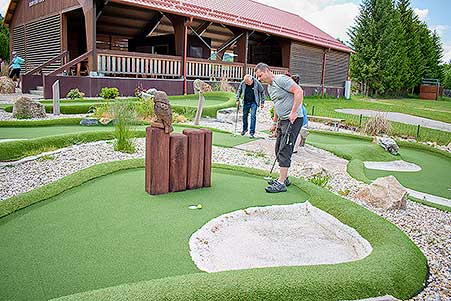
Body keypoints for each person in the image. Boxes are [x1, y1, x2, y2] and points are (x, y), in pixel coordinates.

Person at [255, 63, 304, 193]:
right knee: (278, 149)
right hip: (283, 121)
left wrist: (293, 112)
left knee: (285, 149)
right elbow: (277, 105)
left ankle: (281, 183)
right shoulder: (270, 88)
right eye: (258, 77)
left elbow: (299, 91)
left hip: (293, 119)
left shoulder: (281, 80)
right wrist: (275, 122)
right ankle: (284, 177)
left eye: (260, 75)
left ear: (267, 71)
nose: (259, 79)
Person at [235, 74, 266, 138]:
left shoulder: (257, 83)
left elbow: (262, 91)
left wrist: (262, 102)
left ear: (251, 80)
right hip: (246, 102)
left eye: (248, 82)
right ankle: (244, 129)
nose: (246, 83)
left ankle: (252, 132)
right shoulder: (243, 83)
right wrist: (237, 99)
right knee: (244, 116)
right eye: (245, 82)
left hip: (254, 102)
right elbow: (239, 91)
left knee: (253, 116)